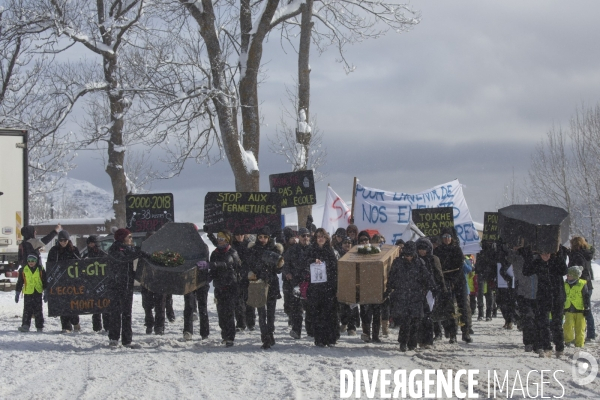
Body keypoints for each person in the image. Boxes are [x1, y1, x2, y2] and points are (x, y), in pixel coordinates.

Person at [386, 241, 436, 352]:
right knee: (405, 322)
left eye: (410, 255)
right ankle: (403, 342)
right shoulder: (398, 263)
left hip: (416, 296)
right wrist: (388, 289)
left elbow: (427, 277)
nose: (408, 257)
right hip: (402, 296)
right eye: (406, 255)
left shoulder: (419, 263)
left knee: (415, 321)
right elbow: (392, 277)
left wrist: (433, 287)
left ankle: (412, 343)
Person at [522, 245, 568, 358]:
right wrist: (528, 254)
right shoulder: (537, 262)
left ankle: (560, 348)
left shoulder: (556, 261)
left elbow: (564, 270)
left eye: (548, 253)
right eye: (543, 254)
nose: (545, 256)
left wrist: (559, 253)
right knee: (543, 323)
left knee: (557, 324)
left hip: (557, 296)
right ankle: (547, 347)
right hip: (543, 296)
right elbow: (526, 271)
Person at [247, 226, 284, 349]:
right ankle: (265, 336)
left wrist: (280, 265)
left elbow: (278, 270)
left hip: (271, 283)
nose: (262, 239)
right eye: (260, 237)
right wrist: (249, 273)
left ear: (269, 238)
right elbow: (247, 265)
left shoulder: (275, 249)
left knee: (271, 313)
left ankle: (270, 332)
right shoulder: (253, 250)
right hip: (258, 283)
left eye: (265, 237)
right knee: (261, 312)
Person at [433, 227, 472, 343]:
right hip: (445, 281)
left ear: (452, 238)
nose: (446, 239)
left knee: (462, 307)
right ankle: (452, 333)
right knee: (449, 308)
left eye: (448, 237)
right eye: (444, 237)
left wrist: (454, 281)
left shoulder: (457, 249)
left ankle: (465, 332)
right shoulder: (438, 250)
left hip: (458, 281)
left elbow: (460, 267)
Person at [107, 228, 143, 347]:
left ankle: (127, 339)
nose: (131, 239)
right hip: (116, 285)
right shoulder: (114, 249)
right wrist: (137, 253)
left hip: (127, 285)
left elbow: (134, 253)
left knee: (127, 313)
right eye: (129, 237)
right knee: (115, 312)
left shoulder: (129, 249)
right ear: (122, 238)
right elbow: (122, 259)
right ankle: (114, 337)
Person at [305, 228, 338, 347]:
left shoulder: (330, 251)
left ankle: (331, 338)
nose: (320, 239)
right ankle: (319, 338)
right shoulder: (311, 250)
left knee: (329, 313)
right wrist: (313, 261)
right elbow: (303, 262)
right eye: (318, 236)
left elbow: (335, 268)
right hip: (315, 287)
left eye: (322, 236)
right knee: (317, 313)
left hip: (328, 286)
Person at [209, 230, 242, 347]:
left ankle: (230, 337)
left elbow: (228, 264)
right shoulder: (214, 253)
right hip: (219, 287)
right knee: (221, 313)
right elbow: (212, 270)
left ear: (227, 240)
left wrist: (215, 265)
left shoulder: (232, 252)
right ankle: (224, 334)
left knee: (229, 312)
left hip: (230, 286)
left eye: (222, 239)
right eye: (218, 238)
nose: (219, 240)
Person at [47, 230, 81, 333]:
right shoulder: (54, 251)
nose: (63, 242)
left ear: (68, 240)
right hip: (60, 281)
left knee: (73, 303)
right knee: (62, 303)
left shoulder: (73, 250)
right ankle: (66, 326)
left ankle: (75, 322)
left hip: (72, 281)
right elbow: (50, 265)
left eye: (65, 240)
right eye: (61, 240)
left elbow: (80, 263)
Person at [415, 237, 447, 347]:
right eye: (419, 248)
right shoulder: (415, 260)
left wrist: (442, 289)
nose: (421, 251)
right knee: (419, 317)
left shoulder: (433, 259)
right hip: (416, 291)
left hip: (430, 291)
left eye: (424, 248)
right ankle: (419, 340)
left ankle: (428, 340)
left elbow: (439, 275)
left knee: (428, 317)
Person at [283, 227, 312, 339]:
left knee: (310, 308)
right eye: (303, 235)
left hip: (310, 283)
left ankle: (310, 331)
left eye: (307, 235)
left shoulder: (313, 249)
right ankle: (296, 330)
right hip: (296, 282)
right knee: (296, 308)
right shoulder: (292, 250)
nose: (305, 238)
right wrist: (287, 273)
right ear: (298, 237)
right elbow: (284, 264)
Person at [508, 245, 539, 353]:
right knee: (527, 318)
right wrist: (513, 248)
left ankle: (536, 342)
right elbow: (507, 256)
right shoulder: (518, 257)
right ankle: (529, 342)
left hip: (538, 293)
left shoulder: (540, 257)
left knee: (537, 319)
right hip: (523, 292)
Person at [183, 232, 211, 341]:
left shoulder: (203, 247)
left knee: (202, 306)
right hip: (188, 280)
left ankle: (204, 332)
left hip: (201, 280)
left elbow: (205, 261)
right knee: (189, 306)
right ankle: (188, 331)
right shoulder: (185, 247)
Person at [356, 231, 383, 343]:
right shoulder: (356, 253)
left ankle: (376, 335)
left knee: (377, 312)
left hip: (375, 285)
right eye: (361, 240)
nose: (364, 242)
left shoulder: (376, 251)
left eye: (366, 239)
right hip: (363, 286)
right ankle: (366, 333)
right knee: (365, 312)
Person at [568, 237, 596, 342]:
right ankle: (590, 332)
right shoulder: (586, 253)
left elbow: (576, 270)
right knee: (586, 309)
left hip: (579, 285)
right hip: (588, 284)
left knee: (582, 310)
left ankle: (589, 333)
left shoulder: (577, 255)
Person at [139, 231, 167, 335]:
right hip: (146, 279)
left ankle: (159, 326)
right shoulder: (143, 249)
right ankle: (149, 324)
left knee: (160, 305)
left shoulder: (162, 248)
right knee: (147, 305)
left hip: (160, 280)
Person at [82, 235, 110, 333]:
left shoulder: (104, 255)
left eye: (92, 243)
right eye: (89, 243)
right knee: (95, 308)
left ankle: (107, 326)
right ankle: (97, 327)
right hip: (92, 284)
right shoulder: (87, 256)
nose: (91, 245)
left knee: (105, 306)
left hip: (103, 284)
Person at [15, 254, 47, 332]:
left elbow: (44, 281)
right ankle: (25, 325)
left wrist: (46, 291)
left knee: (38, 310)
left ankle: (39, 326)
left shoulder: (40, 269)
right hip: (28, 292)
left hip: (37, 292)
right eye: (29, 261)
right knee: (27, 310)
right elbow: (20, 282)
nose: (30, 262)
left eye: (32, 261)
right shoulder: (23, 269)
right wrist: (17, 293)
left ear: (36, 261)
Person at [563, 266, 591, 349]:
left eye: (570, 275)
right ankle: (569, 340)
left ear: (575, 276)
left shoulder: (582, 284)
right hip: (568, 309)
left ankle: (579, 343)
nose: (568, 276)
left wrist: (587, 308)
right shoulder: (565, 284)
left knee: (580, 327)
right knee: (568, 325)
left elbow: (586, 297)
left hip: (580, 310)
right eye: (567, 275)